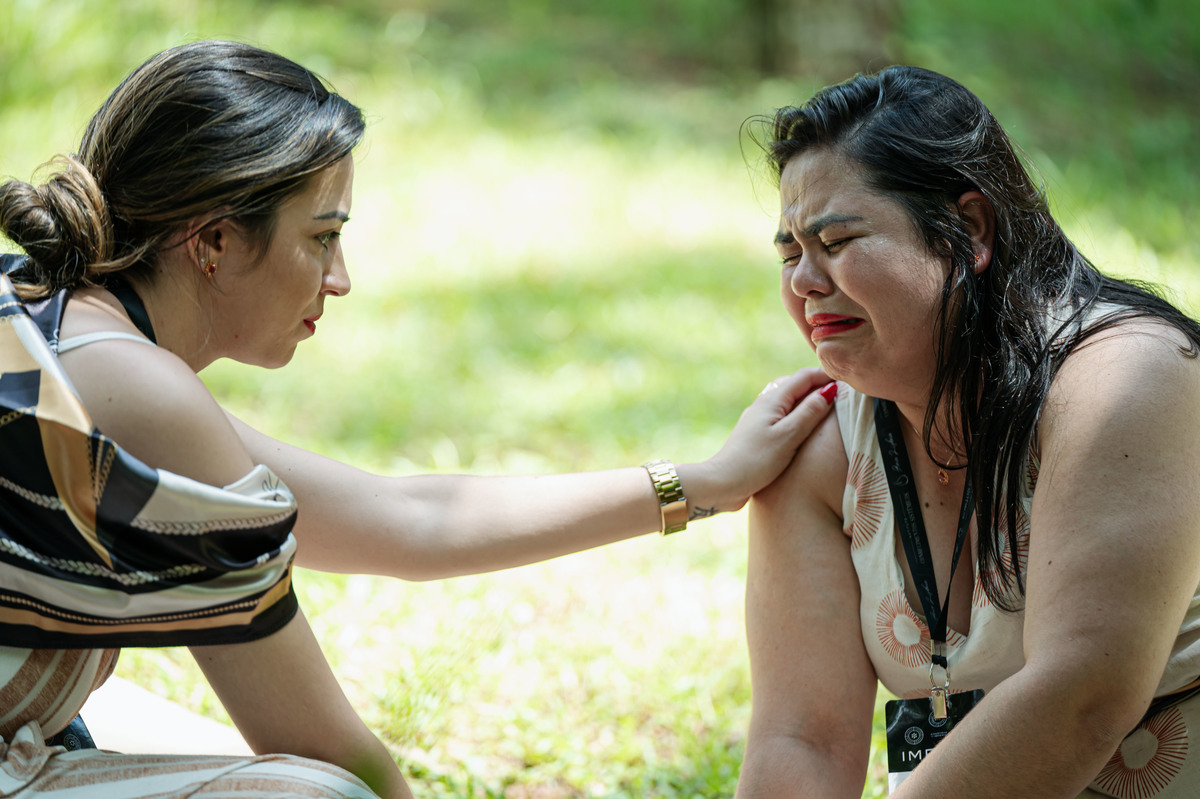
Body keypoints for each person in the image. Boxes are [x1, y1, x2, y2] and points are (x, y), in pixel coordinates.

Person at [0, 41, 838, 798]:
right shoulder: (142, 392)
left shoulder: (67, 327)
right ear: (214, 240)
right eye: (322, 237)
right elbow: (327, 748)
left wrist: (705, 482)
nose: (340, 278)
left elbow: (408, 519)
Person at [734, 63, 1200, 799]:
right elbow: (803, 736)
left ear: (969, 229)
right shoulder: (820, 444)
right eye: (790, 252)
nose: (803, 282)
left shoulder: (1129, 379)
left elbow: (1082, 695)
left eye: (837, 240)